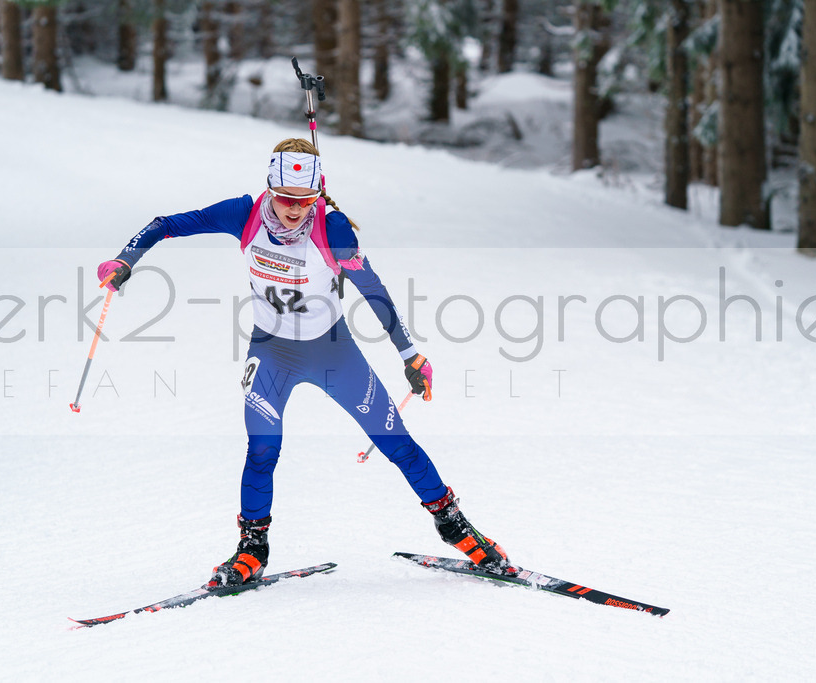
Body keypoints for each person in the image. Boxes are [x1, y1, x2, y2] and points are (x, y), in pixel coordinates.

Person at [97, 138, 513, 586]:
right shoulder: (244, 213)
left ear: (319, 193)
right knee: (262, 449)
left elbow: (372, 290)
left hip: (334, 353)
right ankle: (252, 549)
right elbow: (167, 225)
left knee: (396, 443)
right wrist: (126, 259)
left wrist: (410, 354)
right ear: (269, 189)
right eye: (285, 198)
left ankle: (457, 528)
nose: (295, 209)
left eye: (305, 200)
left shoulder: (333, 230)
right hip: (272, 351)